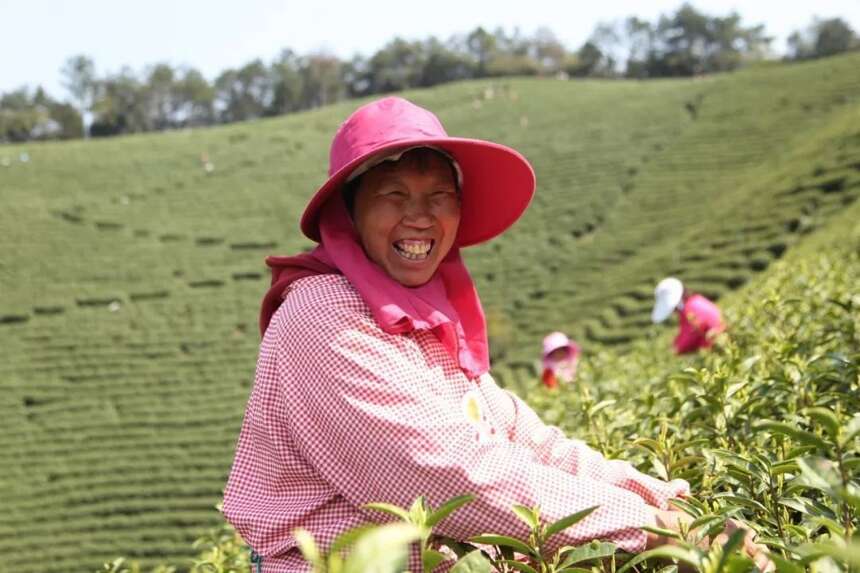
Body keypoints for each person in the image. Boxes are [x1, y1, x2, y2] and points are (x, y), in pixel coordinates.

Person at [223, 97, 769, 572]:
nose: (420, 218)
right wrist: (651, 531)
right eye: (393, 194)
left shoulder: (425, 320)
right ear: (348, 212)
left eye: (439, 196)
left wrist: (666, 501)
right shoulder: (324, 315)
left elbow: (525, 440)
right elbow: (445, 472)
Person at [651, 277, 726, 354]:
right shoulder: (696, 300)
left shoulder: (689, 310)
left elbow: (689, 335)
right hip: (719, 341)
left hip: (717, 346)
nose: (673, 311)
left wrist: (674, 349)